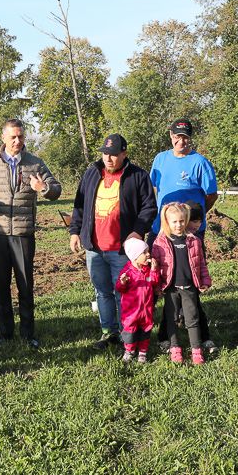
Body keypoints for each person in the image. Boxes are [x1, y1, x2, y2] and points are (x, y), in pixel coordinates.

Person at [0, 118, 62, 348]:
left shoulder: (35, 163)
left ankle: (28, 333)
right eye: (13, 137)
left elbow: (56, 189)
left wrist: (44, 189)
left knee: (25, 284)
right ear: (3, 138)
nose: (17, 141)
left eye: (20, 136)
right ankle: (5, 333)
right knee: (2, 284)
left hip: (23, 233)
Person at [69, 134, 156, 350]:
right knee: (102, 292)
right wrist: (75, 232)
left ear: (124, 154)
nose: (109, 158)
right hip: (94, 247)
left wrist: (136, 232)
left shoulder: (138, 176)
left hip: (122, 249)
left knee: (124, 291)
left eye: (114, 155)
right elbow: (79, 205)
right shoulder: (91, 173)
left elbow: (149, 207)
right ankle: (109, 332)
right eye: (105, 153)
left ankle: (128, 333)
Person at [148, 119, 218, 350]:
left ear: (190, 137)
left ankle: (202, 334)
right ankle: (167, 336)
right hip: (162, 231)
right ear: (170, 135)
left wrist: (192, 220)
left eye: (185, 136)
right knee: (165, 284)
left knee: (190, 283)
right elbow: (155, 189)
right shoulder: (160, 159)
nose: (181, 140)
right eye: (177, 136)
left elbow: (211, 195)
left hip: (190, 234)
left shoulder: (200, 162)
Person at [151, 203, 211, 365]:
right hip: (170, 289)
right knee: (171, 318)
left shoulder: (194, 241)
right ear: (167, 222)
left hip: (190, 287)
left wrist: (205, 280)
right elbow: (155, 268)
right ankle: (175, 348)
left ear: (187, 220)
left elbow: (201, 263)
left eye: (182, 221)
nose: (179, 225)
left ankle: (196, 350)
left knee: (192, 318)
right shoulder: (160, 243)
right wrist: (157, 286)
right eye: (175, 222)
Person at [114, 237, 162, 363]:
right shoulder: (128, 272)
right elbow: (119, 288)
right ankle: (129, 350)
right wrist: (122, 282)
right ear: (134, 256)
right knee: (130, 332)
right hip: (131, 312)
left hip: (146, 310)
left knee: (145, 331)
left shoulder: (147, 270)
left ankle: (142, 352)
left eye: (148, 251)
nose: (148, 254)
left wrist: (154, 271)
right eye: (145, 253)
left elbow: (154, 283)